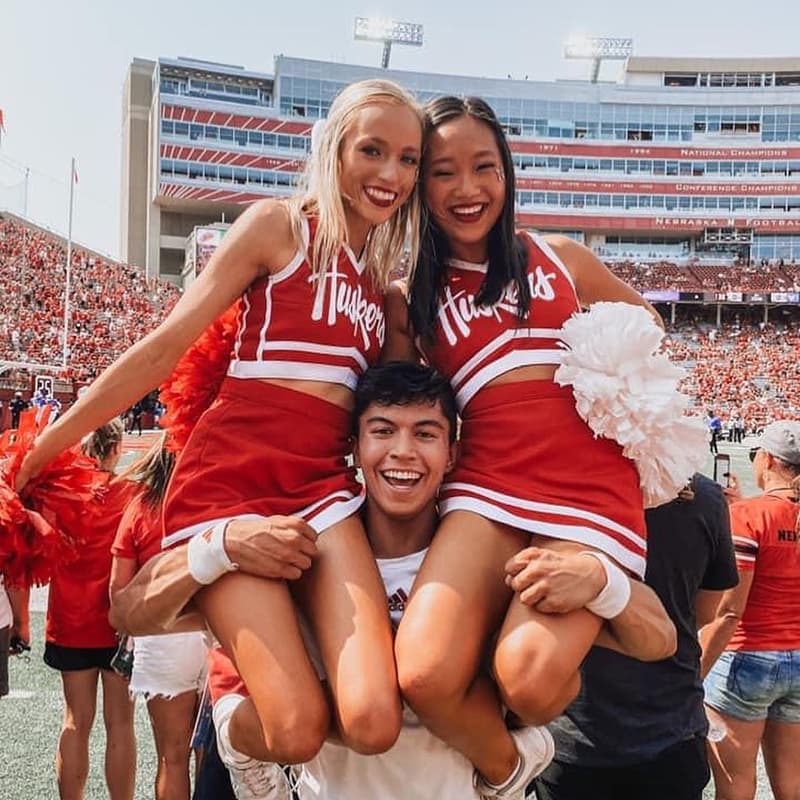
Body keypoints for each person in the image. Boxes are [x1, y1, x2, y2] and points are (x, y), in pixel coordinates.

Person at [17, 78, 426, 772]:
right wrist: (41, 448)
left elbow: (412, 409)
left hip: (324, 492)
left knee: (374, 719)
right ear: (335, 149)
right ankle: (232, 721)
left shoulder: (383, 288)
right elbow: (164, 348)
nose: (391, 174)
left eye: (410, 159)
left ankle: (240, 665)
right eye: (374, 150)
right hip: (231, 486)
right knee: (294, 732)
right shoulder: (280, 227)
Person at [111, 363, 675, 800]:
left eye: (425, 433)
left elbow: (658, 639)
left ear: (454, 453)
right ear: (353, 448)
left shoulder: (493, 563)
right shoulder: (299, 551)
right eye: (382, 431)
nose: (403, 451)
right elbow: (133, 611)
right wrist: (221, 547)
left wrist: (603, 580)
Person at [384, 95, 688, 798]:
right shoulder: (411, 298)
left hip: (587, 492)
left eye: (483, 167)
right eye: (442, 172)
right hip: (486, 487)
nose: (467, 190)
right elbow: (407, 404)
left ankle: (602, 596)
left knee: (533, 682)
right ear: (418, 187)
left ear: (508, 172)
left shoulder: (563, 258)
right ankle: (511, 769)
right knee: (424, 676)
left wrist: (607, 380)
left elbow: (645, 331)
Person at [532, 473, 737, 800]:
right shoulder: (704, 496)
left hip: (576, 729)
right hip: (670, 720)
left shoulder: (553, 484)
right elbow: (705, 611)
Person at [701, 421, 800, 800]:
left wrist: (695, 673)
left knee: (736, 784)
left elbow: (729, 612)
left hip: (747, 658)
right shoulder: (749, 512)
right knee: (792, 785)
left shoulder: (747, 518)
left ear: (769, 459)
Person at [109, 435, 208, 800]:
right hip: (219, 628)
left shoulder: (141, 507)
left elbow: (118, 591)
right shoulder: (216, 502)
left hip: (161, 633)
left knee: (172, 755)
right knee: (211, 756)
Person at [43, 419, 137, 800]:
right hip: (119, 622)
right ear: (116, 448)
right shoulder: (132, 492)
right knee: (121, 725)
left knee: (75, 721)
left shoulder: (60, 495)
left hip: (70, 619)